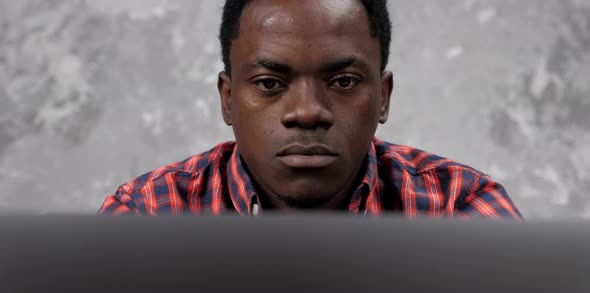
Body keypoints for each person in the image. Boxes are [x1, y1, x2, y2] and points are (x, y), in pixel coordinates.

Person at [98, 0, 522, 219]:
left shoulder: (458, 206)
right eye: (269, 84)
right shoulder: (148, 213)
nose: (306, 112)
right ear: (228, 99)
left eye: (343, 82)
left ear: (384, 97)